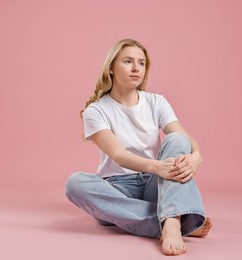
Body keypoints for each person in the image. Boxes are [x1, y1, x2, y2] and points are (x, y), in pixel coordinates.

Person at [65, 39, 212, 256]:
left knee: (178, 140)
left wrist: (197, 155)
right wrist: (157, 167)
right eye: (128, 61)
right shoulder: (96, 111)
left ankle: (171, 225)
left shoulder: (156, 102)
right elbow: (119, 155)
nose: (136, 68)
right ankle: (178, 219)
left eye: (141, 63)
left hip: (157, 185)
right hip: (118, 188)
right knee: (75, 183)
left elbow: (185, 138)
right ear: (112, 69)